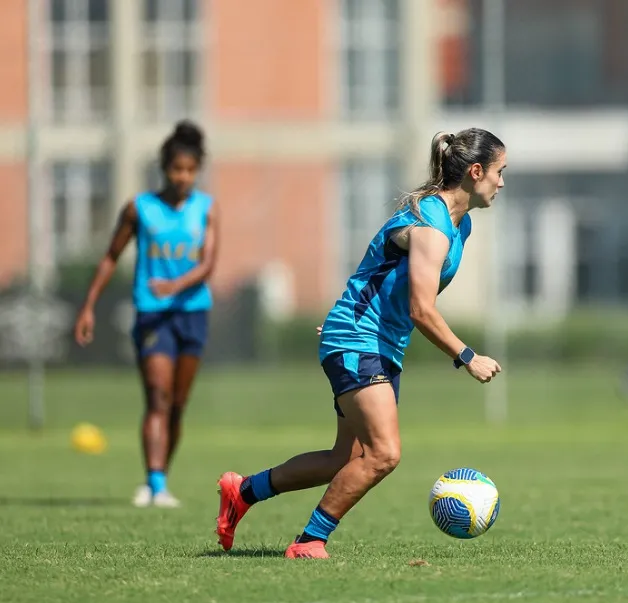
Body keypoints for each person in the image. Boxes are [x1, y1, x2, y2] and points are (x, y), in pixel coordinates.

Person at [215, 128, 506, 559]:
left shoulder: (459, 229)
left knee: (344, 458)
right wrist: (467, 357)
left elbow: (375, 272)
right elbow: (421, 310)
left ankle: (244, 491)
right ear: (476, 171)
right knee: (384, 454)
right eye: (500, 172)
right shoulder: (431, 223)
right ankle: (309, 541)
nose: (502, 182)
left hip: (372, 342)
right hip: (361, 340)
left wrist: (342, 320)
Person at [74, 120, 219, 508]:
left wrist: (174, 286)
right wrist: (88, 306)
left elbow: (207, 266)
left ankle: (160, 477)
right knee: (158, 395)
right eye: (176, 169)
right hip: (152, 316)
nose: (183, 177)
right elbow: (110, 258)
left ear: (197, 170)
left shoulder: (206, 209)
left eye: (190, 170)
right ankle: (155, 485)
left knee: (177, 405)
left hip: (192, 313)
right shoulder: (140, 209)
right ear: (164, 169)